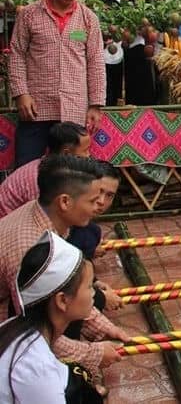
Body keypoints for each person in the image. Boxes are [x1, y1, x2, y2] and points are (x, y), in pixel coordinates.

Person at [0, 155, 127, 378]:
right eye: (92, 200)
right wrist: (92, 353)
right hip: (11, 321)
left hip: (20, 302)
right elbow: (34, 333)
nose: (98, 205)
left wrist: (105, 327)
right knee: (66, 307)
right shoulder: (30, 248)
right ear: (65, 202)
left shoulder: (41, 212)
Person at [9, 0, 105, 168]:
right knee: (27, 166)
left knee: (71, 171)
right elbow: (17, 55)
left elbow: (96, 62)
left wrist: (95, 105)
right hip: (36, 107)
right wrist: (21, 94)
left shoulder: (88, 19)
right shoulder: (29, 15)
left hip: (74, 108)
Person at [0, 232, 101, 403]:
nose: (93, 293)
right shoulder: (38, 368)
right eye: (89, 286)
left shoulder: (13, 326)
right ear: (62, 300)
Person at [0, 122, 91, 218]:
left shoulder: (53, 168)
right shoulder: (39, 179)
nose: (88, 155)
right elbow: (40, 217)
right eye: (85, 150)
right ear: (66, 154)